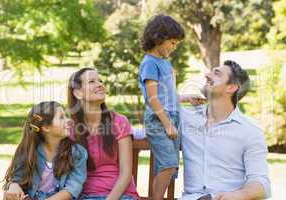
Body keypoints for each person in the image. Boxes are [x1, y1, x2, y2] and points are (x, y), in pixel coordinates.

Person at [179, 60, 271, 200]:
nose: (207, 75)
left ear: (231, 87)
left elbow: (262, 184)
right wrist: (181, 98)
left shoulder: (250, 131)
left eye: (216, 73)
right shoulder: (186, 117)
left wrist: (236, 196)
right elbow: (153, 113)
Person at [138, 14, 204, 200]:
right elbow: (152, 99)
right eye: (172, 43)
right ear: (158, 38)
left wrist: (186, 98)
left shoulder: (164, 62)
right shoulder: (150, 63)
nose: (174, 48)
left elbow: (166, 96)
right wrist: (167, 124)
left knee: (171, 167)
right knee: (168, 165)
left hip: (172, 118)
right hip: (159, 120)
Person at [67, 68, 139, 200]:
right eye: (92, 81)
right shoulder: (70, 129)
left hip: (120, 195)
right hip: (85, 196)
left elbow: (126, 173)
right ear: (77, 93)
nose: (100, 84)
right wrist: (15, 183)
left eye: (100, 81)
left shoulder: (119, 122)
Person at [3, 101, 88, 200]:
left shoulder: (77, 153)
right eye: (61, 117)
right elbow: (17, 178)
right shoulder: (29, 150)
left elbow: (73, 188)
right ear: (46, 127)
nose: (68, 120)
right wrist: (13, 185)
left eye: (66, 116)